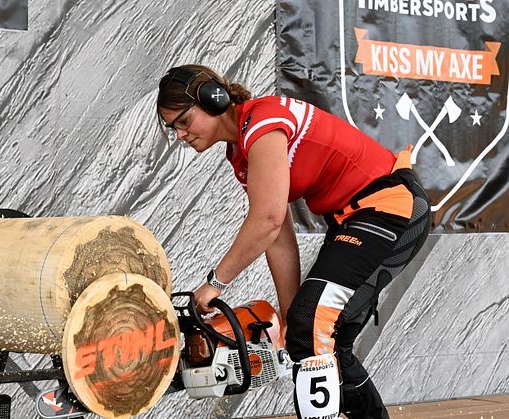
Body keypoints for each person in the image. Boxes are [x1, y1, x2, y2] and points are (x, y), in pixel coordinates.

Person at [156, 64, 431, 419]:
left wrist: (214, 284)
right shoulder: (241, 151)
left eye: (182, 121)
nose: (180, 134)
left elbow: (266, 221)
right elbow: (279, 236)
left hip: (389, 208)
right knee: (327, 342)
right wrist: (289, 318)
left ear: (213, 100)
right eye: (173, 127)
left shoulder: (262, 123)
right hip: (358, 217)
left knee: (313, 326)